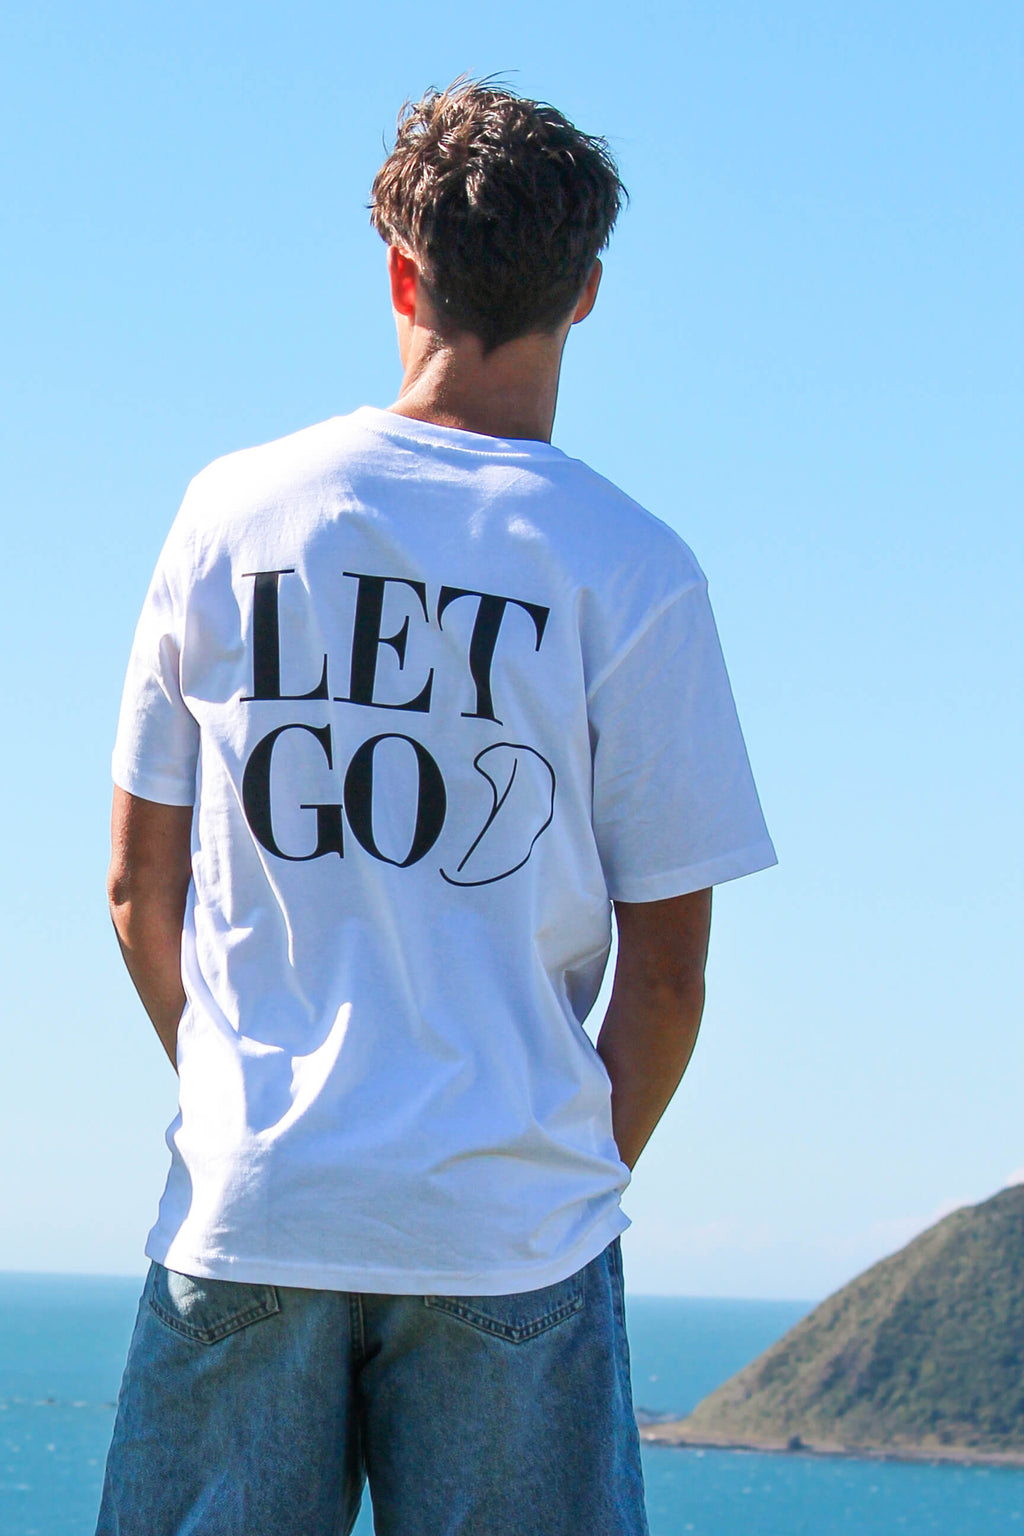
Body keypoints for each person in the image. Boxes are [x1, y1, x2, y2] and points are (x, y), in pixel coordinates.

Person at [97, 81, 776, 1536]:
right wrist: (548, 1169)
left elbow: (135, 891)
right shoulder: (633, 565)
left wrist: (245, 1100)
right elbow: (668, 972)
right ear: (586, 293)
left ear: (400, 271)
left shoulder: (231, 510)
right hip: (504, 1231)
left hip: (253, 1199)